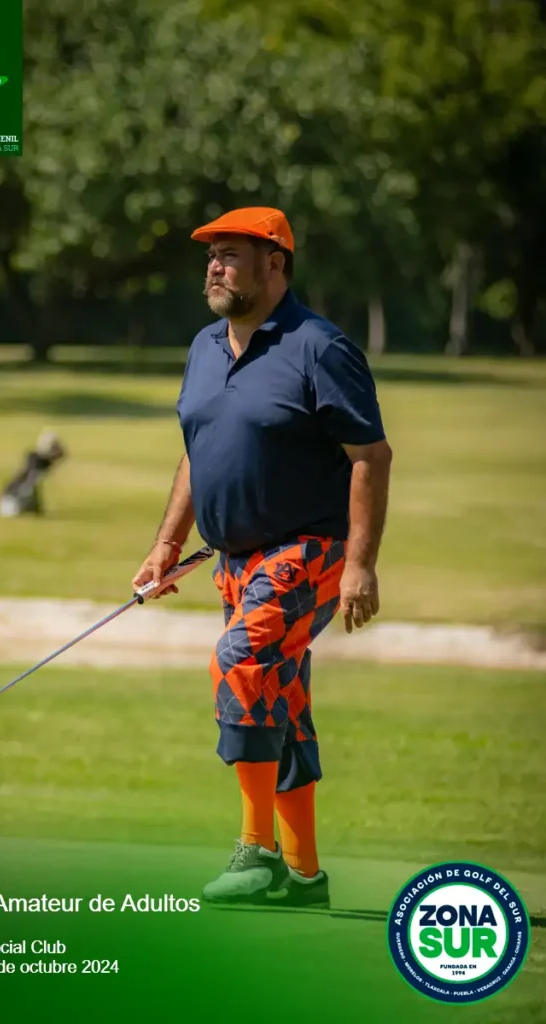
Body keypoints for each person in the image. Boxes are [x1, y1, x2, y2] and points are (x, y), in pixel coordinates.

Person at [132, 207, 392, 906]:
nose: (214, 268)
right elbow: (199, 452)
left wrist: (361, 563)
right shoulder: (203, 347)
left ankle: (257, 852)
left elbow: (370, 456)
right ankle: (304, 875)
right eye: (210, 256)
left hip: (309, 549)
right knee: (282, 701)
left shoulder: (319, 347)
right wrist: (166, 544)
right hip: (233, 561)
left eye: (229, 255)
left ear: (274, 263)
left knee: (241, 661)